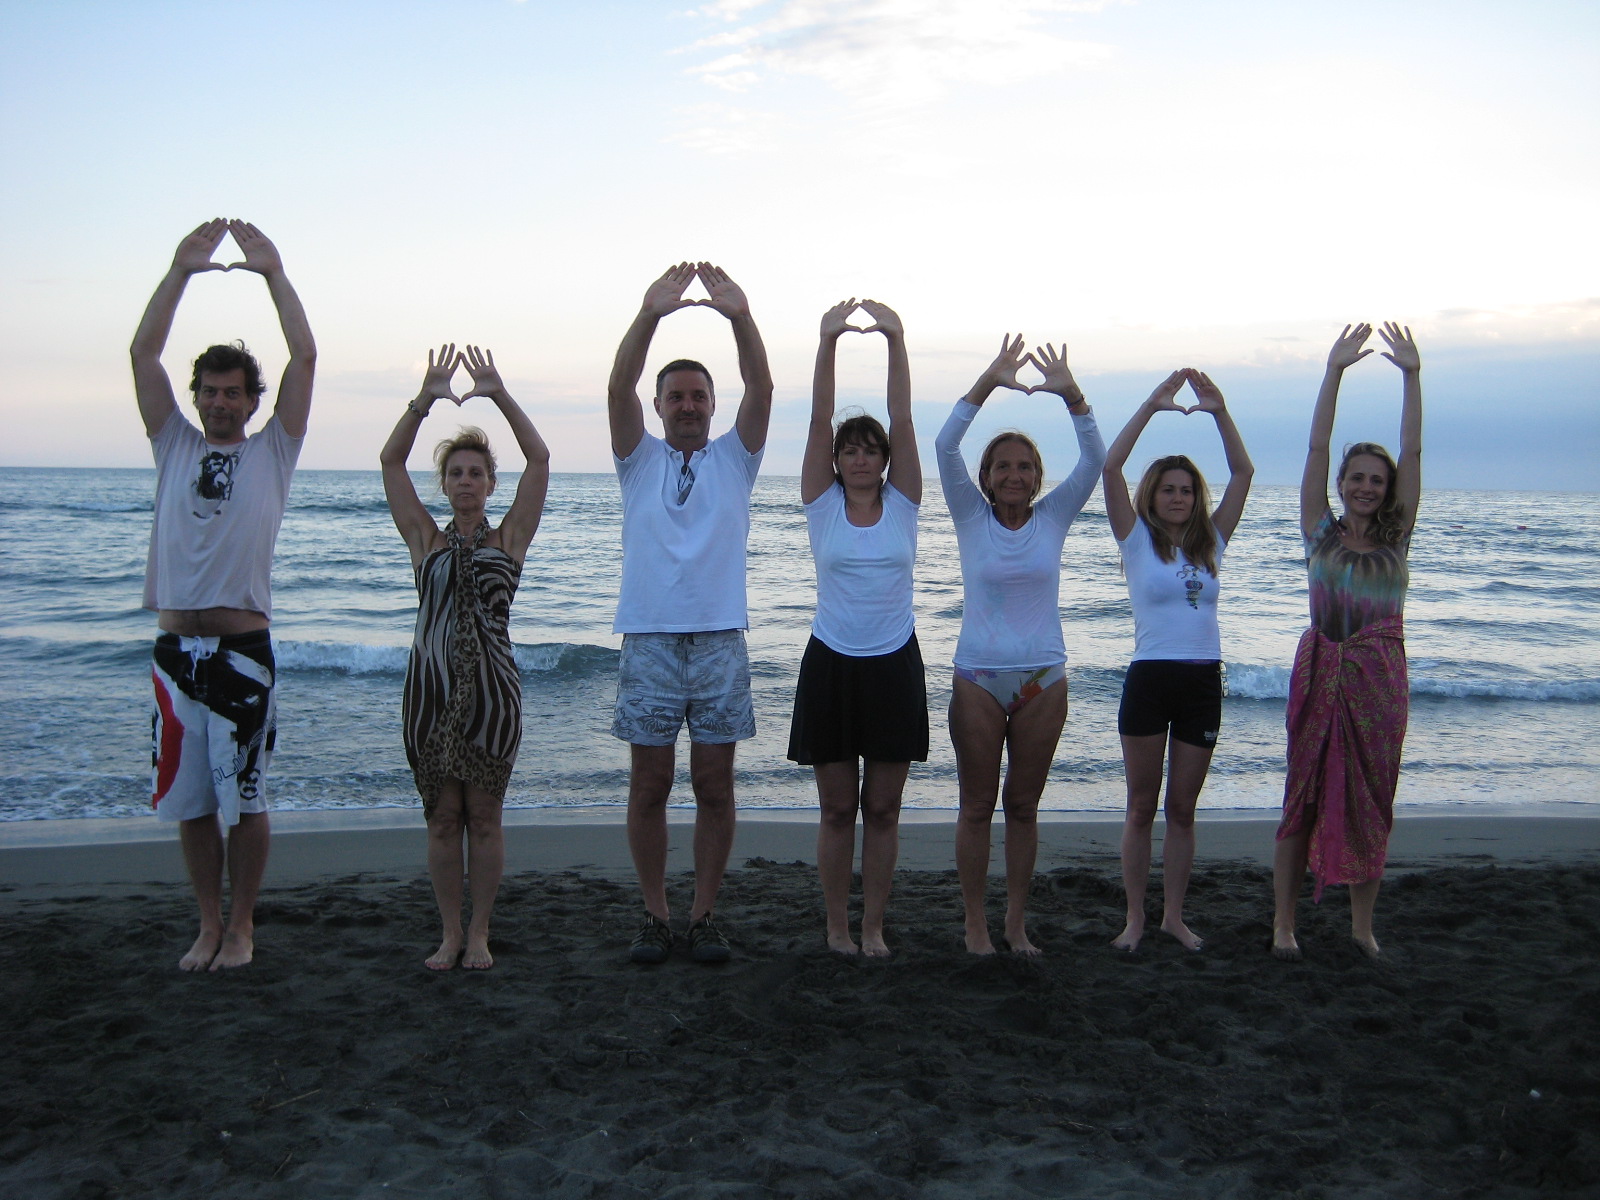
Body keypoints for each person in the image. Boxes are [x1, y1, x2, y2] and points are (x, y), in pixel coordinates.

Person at [132, 219, 316, 971]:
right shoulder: (172, 442)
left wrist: (273, 274)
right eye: (207, 391)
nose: (217, 403)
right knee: (188, 799)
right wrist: (181, 271)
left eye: (231, 393)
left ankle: (242, 926)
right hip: (176, 653)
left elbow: (305, 354)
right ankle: (206, 922)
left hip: (243, 650)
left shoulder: (275, 448)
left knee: (247, 793)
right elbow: (142, 352)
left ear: (251, 400)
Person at [606, 262, 773, 964]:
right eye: (675, 396)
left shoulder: (737, 459)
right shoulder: (636, 459)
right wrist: (650, 314)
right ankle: (654, 916)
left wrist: (740, 317)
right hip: (647, 638)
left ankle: (703, 916)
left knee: (713, 784)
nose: (687, 405)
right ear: (658, 404)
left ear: (712, 403)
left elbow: (762, 386)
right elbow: (616, 387)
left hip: (718, 641)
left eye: (698, 396)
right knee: (650, 783)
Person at [380, 344, 549, 971]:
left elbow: (540, 458)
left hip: (492, 701)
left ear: (490, 484)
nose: (466, 481)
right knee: (442, 818)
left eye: (477, 473)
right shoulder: (424, 539)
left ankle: (479, 933)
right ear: (446, 484)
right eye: (456, 473)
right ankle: (449, 933)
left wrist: (498, 393)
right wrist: (425, 399)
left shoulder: (511, 539)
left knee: (484, 817)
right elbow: (391, 460)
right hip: (428, 695)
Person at [936, 335, 1106, 955]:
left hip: (1043, 680)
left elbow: (1094, 461)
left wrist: (1073, 396)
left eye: (1025, 466)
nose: (1014, 474)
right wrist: (990, 379)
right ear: (984, 478)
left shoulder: (1054, 516)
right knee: (977, 805)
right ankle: (976, 923)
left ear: (1038, 478)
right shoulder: (968, 515)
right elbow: (943, 445)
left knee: (1024, 808)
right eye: (1002, 465)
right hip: (978, 678)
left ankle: (1015, 924)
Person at [1272, 322, 1422, 961]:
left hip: (1380, 681)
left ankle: (1362, 925)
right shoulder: (1320, 535)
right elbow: (1314, 446)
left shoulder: (1396, 540)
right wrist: (1332, 372)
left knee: (1372, 799)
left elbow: (1413, 454)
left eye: (1376, 480)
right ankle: (1284, 925)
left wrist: (1413, 378)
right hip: (1320, 673)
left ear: (1387, 491)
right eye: (1355, 478)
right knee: (1301, 793)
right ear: (1341, 484)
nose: (1366, 486)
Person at [789, 298, 926, 957]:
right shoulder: (821, 505)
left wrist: (897, 339)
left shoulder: (904, 503)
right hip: (833, 664)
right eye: (852, 451)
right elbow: (818, 419)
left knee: (884, 810)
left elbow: (902, 415)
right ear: (838, 462)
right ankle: (837, 926)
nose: (863, 459)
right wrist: (829, 341)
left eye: (872, 451)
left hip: (894, 663)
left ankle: (873, 925)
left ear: (885, 459)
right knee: (839, 808)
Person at [1101, 368, 1254, 952]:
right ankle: (1136, 917)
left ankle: (1173, 917)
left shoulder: (1211, 541)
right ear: (1152, 494)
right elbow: (1111, 467)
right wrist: (1153, 405)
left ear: (1196, 499)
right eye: (1168, 488)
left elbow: (1243, 472)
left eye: (1186, 490)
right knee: (1141, 806)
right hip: (1150, 678)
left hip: (1201, 681)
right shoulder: (1134, 538)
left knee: (1182, 809)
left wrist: (1219, 411)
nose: (1177, 497)